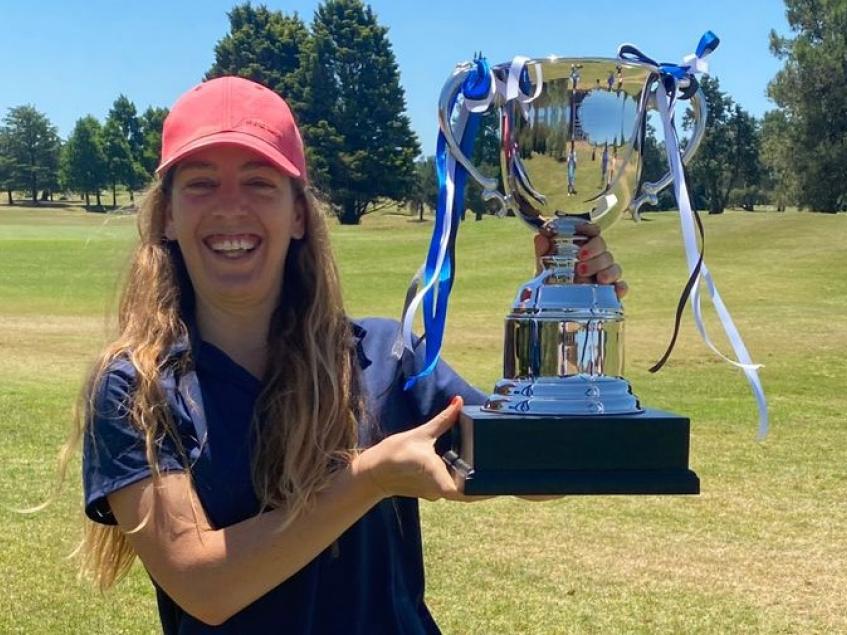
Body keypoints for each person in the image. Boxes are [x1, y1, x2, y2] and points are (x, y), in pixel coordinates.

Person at [69, 76, 627, 632]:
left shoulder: (385, 357)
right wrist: (369, 480)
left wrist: (565, 325)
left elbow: (538, 472)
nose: (230, 206)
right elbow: (204, 584)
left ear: (298, 216)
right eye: (202, 183)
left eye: (260, 182)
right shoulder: (133, 388)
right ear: (167, 216)